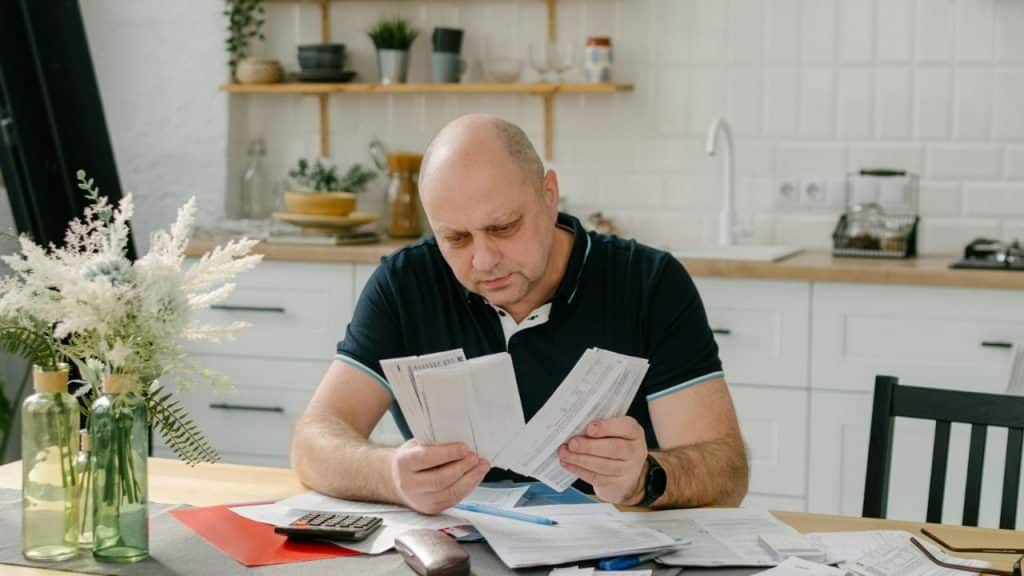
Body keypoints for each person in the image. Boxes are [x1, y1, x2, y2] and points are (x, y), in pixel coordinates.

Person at [291, 114, 748, 514]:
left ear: (549, 195)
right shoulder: (405, 284)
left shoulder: (648, 283)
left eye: (503, 227)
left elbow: (726, 470)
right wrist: (391, 474)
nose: (484, 260)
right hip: (454, 551)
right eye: (456, 238)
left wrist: (643, 477)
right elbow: (314, 442)